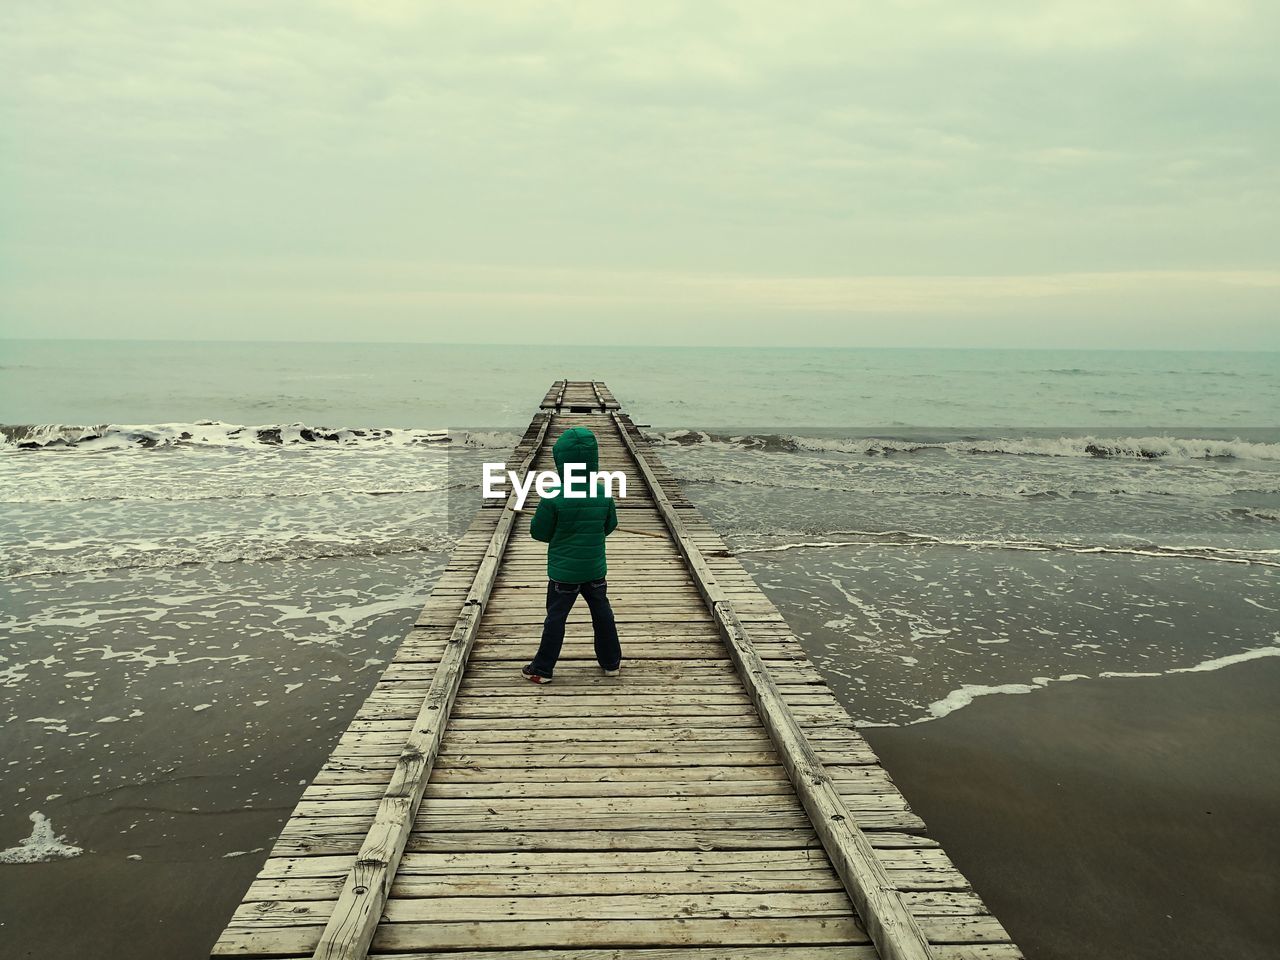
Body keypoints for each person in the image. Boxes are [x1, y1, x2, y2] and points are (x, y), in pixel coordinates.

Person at [522, 426, 621, 684]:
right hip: (595, 570)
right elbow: (609, 526)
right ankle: (611, 663)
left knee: (556, 618)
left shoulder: (553, 495)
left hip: (564, 574)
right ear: (593, 460)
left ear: (561, 460)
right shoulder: (602, 492)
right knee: (602, 614)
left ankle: (542, 669)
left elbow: (539, 533)